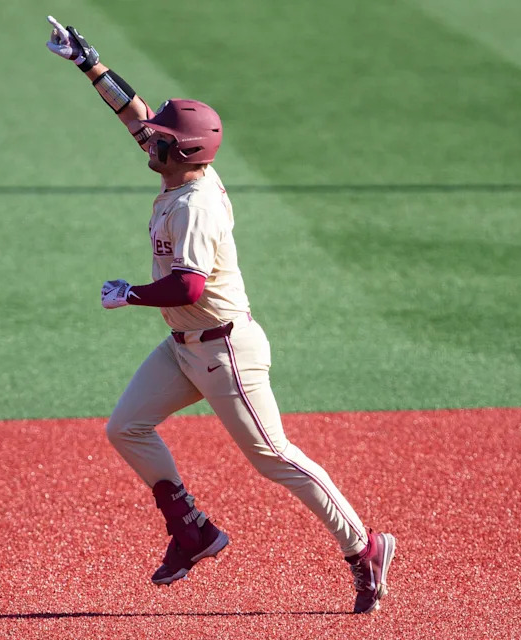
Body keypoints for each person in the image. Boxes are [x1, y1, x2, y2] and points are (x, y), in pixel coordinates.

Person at [45, 17, 396, 614]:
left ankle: (363, 547)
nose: (144, 139)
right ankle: (192, 531)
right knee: (125, 427)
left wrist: (128, 294)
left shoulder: (196, 206)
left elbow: (187, 284)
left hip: (225, 350)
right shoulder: (182, 167)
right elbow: (134, 113)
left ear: (180, 152)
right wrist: (90, 63)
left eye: (156, 138)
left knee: (274, 457)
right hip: (186, 345)